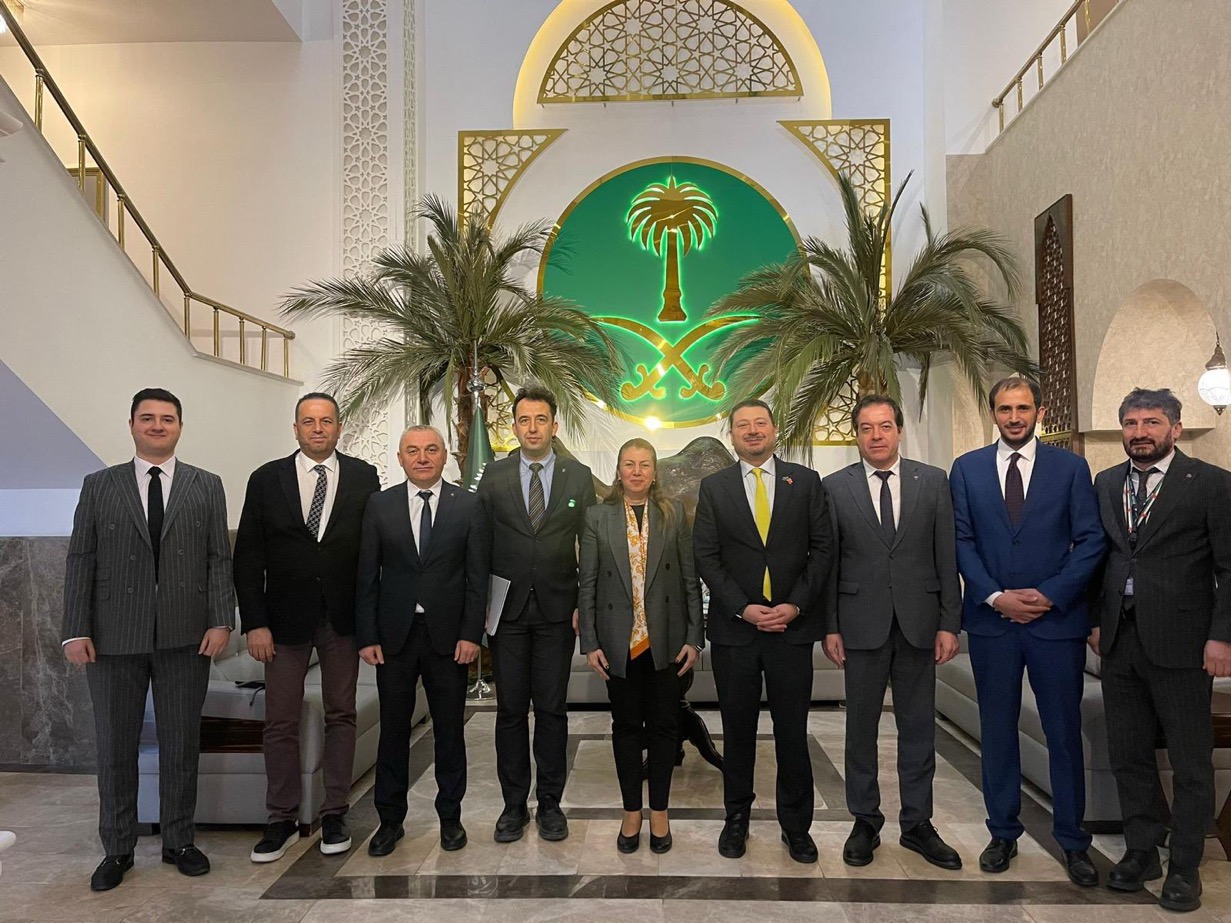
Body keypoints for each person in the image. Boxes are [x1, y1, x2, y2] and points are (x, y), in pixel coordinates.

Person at [62, 388, 234, 891]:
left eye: (167, 418)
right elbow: (81, 558)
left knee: (182, 743)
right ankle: (117, 848)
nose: (157, 426)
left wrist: (221, 620)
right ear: (132, 424)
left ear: (180, 426)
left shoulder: (207, 485)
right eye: (148, 418)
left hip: (186, 635)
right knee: (116, 746)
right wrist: (75, 629)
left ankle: (179, 841)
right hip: (113, 636)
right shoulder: (100, 485)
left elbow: (218, 558)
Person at [949, 376, 1105, 886]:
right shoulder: (967, 468)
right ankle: (1002, 833)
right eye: (1004, 409)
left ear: (1039, 411)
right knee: (997, 731)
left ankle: (1073, 842)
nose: (1013, 417)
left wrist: (1050, 594)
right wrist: (996, 596)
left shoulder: (1071, 468)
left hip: (1055, 623)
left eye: (1022, 408)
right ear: (993, 413)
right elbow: (961, 541)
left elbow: (1090, 540)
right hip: (992, 623)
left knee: (1062, 733)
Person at [1091, 388, 1231, 913]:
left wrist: (1222, 636)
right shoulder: (1107, 483)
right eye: (1131, 423)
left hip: (1184, 644)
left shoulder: (1211, 484)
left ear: (1175, 427)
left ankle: (1186, 867)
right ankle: (1142, 851)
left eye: (1151, 422)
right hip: (1119, 640)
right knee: (1128, 754)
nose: (1140, 432)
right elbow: (1101, 558)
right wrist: (1095, 621)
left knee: (1191, 762)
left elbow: (1229, 568)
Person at [232, 392, 380, 863]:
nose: (318, 429)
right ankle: (280, 817)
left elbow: (371, 555)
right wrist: (255, 623)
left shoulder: (364, 477)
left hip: (342, 621)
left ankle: (334, 813)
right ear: (295, 429)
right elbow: (248, 557)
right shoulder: (266, 479)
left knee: (341, 715)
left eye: (326, 421)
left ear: (339, 428)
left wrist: (371, 623)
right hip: (282, 623)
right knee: (280, 721)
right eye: (309, 422)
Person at [821, 395, 963, 869]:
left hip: (920, 624)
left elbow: (946, 555)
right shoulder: (835, 487)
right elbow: (829, 562)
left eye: (884, 426)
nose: (876, 435)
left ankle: (918, 823)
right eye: (866, 428)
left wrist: (949, 622)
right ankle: (865, 821)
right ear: (857, 435)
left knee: (918, 729)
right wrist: (830, 626)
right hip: (860, 625)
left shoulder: (933, 481)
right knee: (860, 730)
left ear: (899, 431)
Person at [693, 398, 834, 864]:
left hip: (792, 630)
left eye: (760, 423)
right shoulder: (714, 487)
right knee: (738, 732)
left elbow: (823, 550)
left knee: (792, 731)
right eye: (742, 425)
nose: (752, 431)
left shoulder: (805, 481)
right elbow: (706, 556)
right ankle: (737, 819)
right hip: (736, 632)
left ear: (774, 430)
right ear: (732, 435)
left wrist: (795, 605)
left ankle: (796, 827)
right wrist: (742, 608)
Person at [356, 425, 489, 856]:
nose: (422, 458)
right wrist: (367, 635)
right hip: (394, 637)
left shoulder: (468, 505)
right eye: (412, 451)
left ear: (444, 455)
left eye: (431, 449)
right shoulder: (380, 505)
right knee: (393, 732)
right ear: (400, 459)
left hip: (448, 639)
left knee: (449, 733)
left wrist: (471, 634)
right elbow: (367, 575)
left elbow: (477, 577)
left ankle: (450, 818)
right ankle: (389, 822)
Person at [477, 386, 595, 843]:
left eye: (540, 419)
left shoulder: (577, 476)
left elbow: (591, 546)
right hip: (506, 612)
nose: (532, 428)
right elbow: (479, 545)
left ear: (554, 425)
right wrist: (479, 609)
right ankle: (513, 806)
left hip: (557, 611)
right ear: (514, 426)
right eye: (524, 420)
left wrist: (583, 604)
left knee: (551, 710)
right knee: (509, 711)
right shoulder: (494, 475)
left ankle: (549, 803)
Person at [578, 438, 703, 854]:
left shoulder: (673, 515)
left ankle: (660, 811)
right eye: (629, 464)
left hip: (665, 640)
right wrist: (590, 641)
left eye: (644, 464)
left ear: (654, 472)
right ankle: (632, 810)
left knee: (665, 728)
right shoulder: (597, 517)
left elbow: (689, 579)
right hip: (619, 643)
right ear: (618, 471)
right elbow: (587, 583)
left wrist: (694, 637)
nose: (636, 471)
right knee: (626, 728)